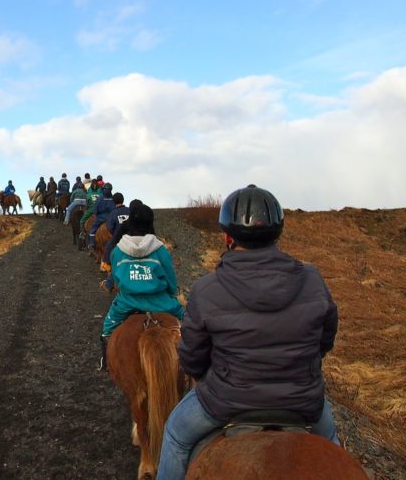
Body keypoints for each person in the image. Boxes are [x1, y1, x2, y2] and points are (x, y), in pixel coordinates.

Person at [157, 185, 340, 480]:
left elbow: (192, 358)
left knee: (175, 435)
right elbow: (325, 339)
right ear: (277, 234)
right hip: (302, 400)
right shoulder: (313, 279)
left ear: (228, 237)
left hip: (224, 401)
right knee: (334, 448)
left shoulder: (206, 290)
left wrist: (210, 376)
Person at [99, 204, 183, 371]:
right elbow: (171, 280)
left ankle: (105, 362)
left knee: (106, 330)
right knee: (191, 326)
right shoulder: (161, 250)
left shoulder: (117, 251)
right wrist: (172, 294)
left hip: (126, 302)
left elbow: (116, 278)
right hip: (162, 302)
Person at [89, 183, 115, 249]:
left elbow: (95, 209)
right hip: (111, 218)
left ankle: (92, 243)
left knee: (93, 229)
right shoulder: (113, 199)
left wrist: (95, 214)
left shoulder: (100, 198)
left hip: (101, 218)